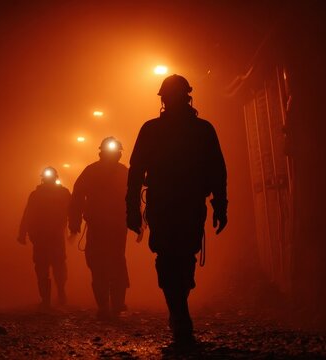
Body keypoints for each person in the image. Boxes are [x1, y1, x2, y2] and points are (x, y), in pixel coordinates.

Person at [126, 74, 228, 344]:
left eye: (172, 97)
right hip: (178, 204)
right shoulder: (200, 130)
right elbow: (136, 170)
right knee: (174, 257)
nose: (170, 102)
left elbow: (217, 169)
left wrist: (221, 204)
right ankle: (180, 314)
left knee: (178, 257)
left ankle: (178, 308)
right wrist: (219, 205)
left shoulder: (163, 130)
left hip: (175, 204)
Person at [69, 137, 130, 320]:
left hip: (114, 226)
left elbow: (132, 197)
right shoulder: (94, 171)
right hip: (102, 226)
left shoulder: (120, 172)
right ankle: (107, 305)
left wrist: (137, 220)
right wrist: (74, 222)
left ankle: (114, 304)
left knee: (110, 263)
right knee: (103, 264)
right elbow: (78, 196)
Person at [18, 166, 71, 310]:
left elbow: (72, 210)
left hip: (53, 237)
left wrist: (73, 227)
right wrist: (22, 233)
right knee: (44, 268)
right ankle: (47, 298)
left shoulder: (63, 193)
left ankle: (59, 291)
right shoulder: (37, 195)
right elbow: (28, 214)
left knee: (57, 266)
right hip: (42, 237)